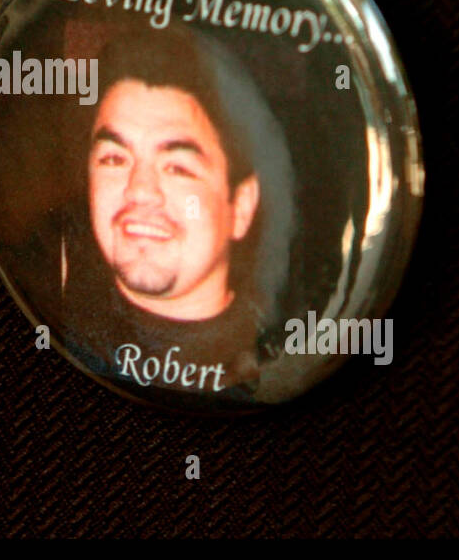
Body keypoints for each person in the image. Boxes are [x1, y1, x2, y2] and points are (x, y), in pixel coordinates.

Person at [56, 28, 293, 398]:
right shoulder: (51, 333)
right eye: (114, 159)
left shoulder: (278, 371)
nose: (139, 190)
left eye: (178, 168)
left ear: (241, 205)